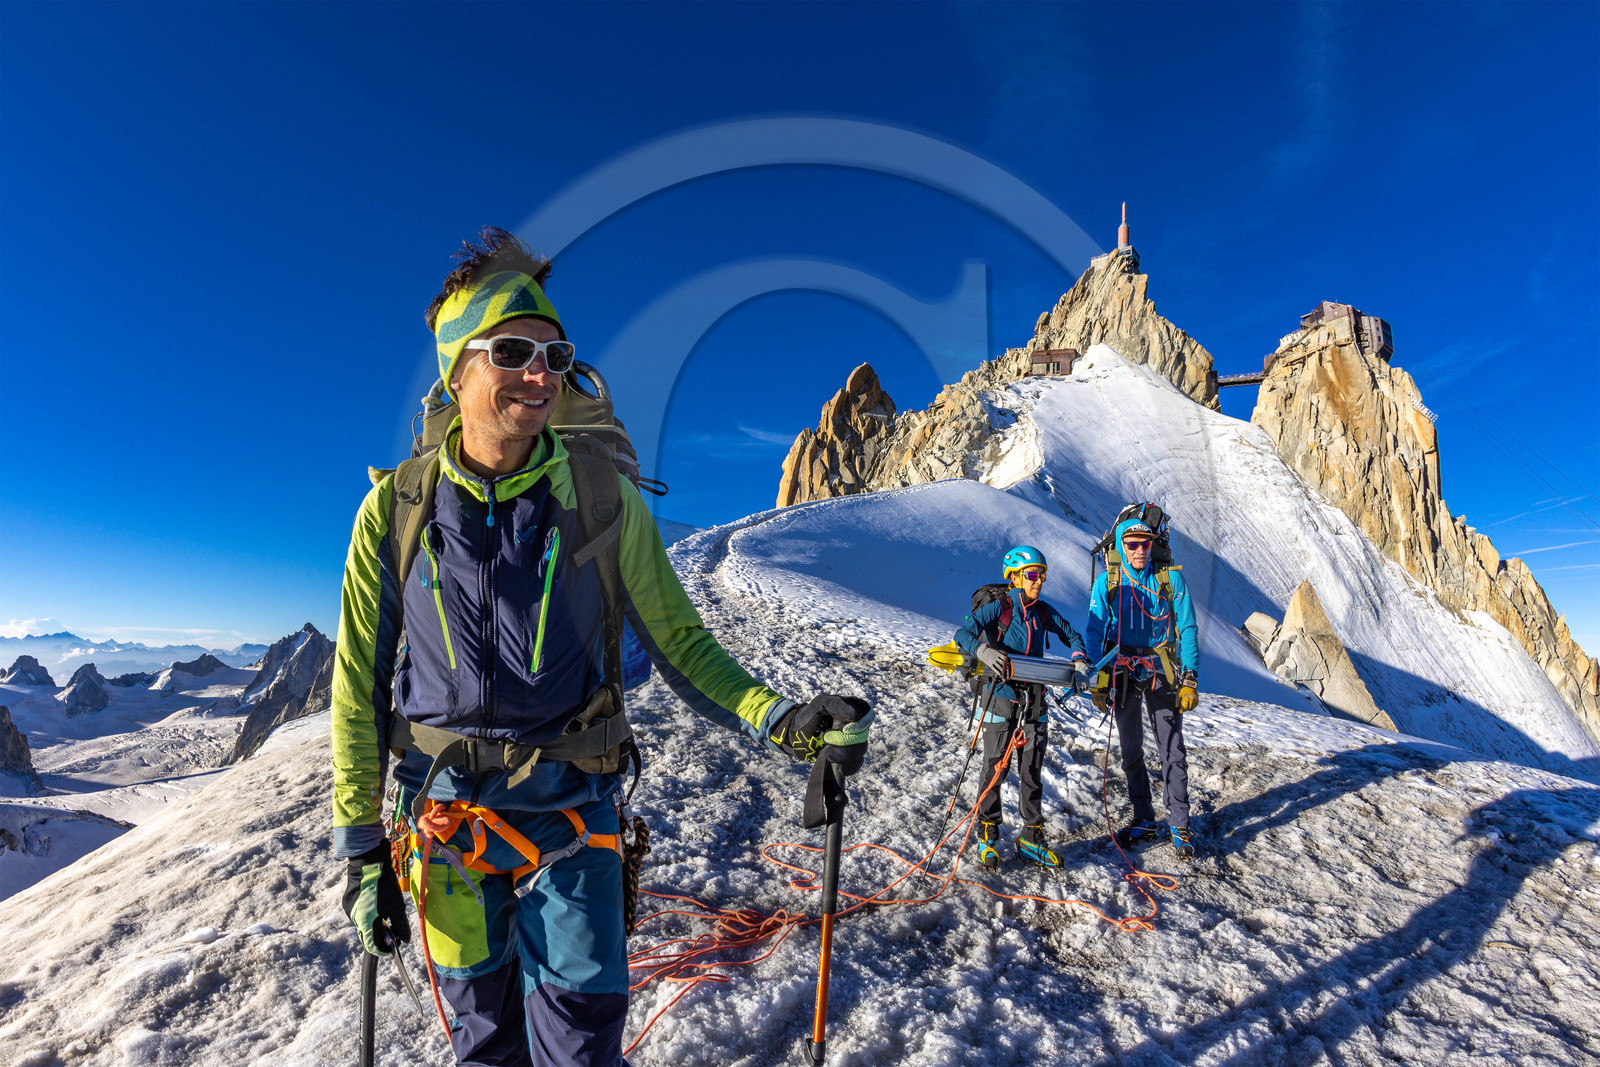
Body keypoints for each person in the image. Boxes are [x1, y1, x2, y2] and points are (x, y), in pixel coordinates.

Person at [332, 227, 872, 1067]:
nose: (541, 373)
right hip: (444, 822)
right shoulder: (397, 513)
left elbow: (683, 645)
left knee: (581, 1047)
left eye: (556, 353)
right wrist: (361, 846)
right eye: (513, 351)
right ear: (456, 370)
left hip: (570, 817)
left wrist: (783, 717)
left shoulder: (604, 500)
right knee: (484, 1045)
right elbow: (359, 684)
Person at [953, 546, 1088, 868]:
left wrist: (1080, 659)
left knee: (1031, 770)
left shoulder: (1044, 611)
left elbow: (1072, 635)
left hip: (1035, 699)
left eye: (1042, 574)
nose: (1038, 580)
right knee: (995, 766)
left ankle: (1031, 836)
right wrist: (983, 651)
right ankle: (987, 832)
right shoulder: (1000, 607)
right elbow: (963, 633)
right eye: (1031, 574)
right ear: (1013, 578)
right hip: (999, 695)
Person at [1085, 514, 1199, 859]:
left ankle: (1180, 824)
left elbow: (1189, 628)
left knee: (1172, 749)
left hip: (1161, 671)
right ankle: (1144, 817)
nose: (1139, 550)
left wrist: (1190, 677)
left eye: (1145, 544)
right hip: (1121, 672)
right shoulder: (1108, 582)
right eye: (1132, 544)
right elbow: (1093, 629)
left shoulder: (1171, 581)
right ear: (1121, 546)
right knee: (1131, 749)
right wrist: (1097, 677)